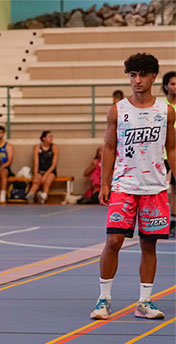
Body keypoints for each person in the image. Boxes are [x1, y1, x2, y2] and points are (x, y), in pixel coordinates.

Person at [90, 53, 174, 321]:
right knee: (114, 241)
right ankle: (104, 299)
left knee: (149, 245)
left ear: (153, 77)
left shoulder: (166, 111)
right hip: (123, 186)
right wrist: (105, 183)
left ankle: (144, 302)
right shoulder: (117, 110)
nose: (137, 80)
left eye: (142, 75)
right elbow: (109, 147)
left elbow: (172, 148)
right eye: (132, 75)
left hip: (155, 188)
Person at [27, 130, 59, 204]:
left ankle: (43, 196)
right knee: (36, 181)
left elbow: (54, 164)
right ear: (44, 138)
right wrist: (35, 173)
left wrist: (46, 174)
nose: (51, 138)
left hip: (50, 171)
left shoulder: (54, 147)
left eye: (52, 137)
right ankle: (30, 194)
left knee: (47, 181)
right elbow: (36, 161)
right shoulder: (37, 147)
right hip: (40, 170)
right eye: (49, 136)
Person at [162, 71, 175, 237]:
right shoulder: (161, 106)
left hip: (175, 153)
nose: (175, 87)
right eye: (172, 84)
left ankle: (174, 221)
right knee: (160, 189)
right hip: (161, 155)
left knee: (175, 189)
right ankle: (161, 221)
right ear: (166, 86)